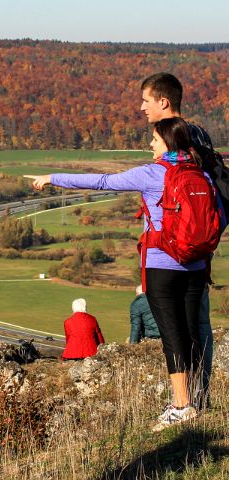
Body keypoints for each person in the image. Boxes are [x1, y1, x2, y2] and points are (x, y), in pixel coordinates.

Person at [25, 117, 219, 431]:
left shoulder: (152, 173)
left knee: (172, 336)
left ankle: (181, 406)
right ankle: (196, 399)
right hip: (196, 265)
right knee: (192, 333)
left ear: (168, 143)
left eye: (154, 140)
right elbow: (217, 217)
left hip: (161, 264)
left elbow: (102, 181)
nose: (151, 145)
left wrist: (51, 177)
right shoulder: (202, 174)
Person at [140, 73, 215, 408]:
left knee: (186, 330)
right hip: (198, 253)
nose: (142, 107)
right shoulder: (197, 140)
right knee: (194, 329)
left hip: (176, 256)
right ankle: (197, 400)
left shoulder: (182, 142)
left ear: (163, 102)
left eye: (146, 101)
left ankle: (192, 402)